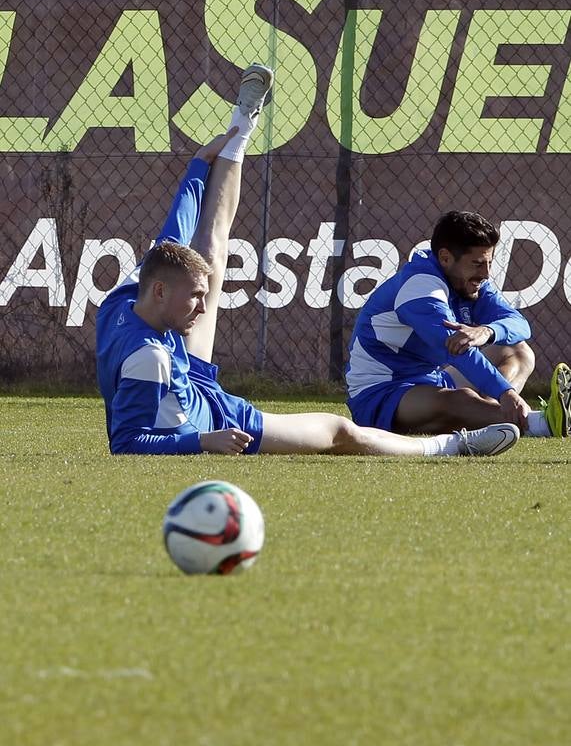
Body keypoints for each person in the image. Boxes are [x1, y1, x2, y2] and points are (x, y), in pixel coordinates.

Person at [96, 66, 520, 458]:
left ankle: (242, 126)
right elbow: (128, 442)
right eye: (195, 298)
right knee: (340, 432)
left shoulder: (127, 295)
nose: (207, 308)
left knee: (211, 250)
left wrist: (197, 167)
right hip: (209, 419)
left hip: (197, 389)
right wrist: (203, 441)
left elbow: (177, 226)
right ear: (159, 290)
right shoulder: (148, 356)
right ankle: (450, 448)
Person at [346, 209, 571, 438]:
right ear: (445, 258)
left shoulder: (471, 282)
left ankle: (489, 417)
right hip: (381, 395)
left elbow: (519, 324)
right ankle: (541, 424)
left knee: (518, 351)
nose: (486, 273)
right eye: (477, 264)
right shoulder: (420, 289)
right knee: (459, 399)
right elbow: (458, 353)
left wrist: (488, 331)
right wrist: (506, 393)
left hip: (432, 379)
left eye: (489, 263)